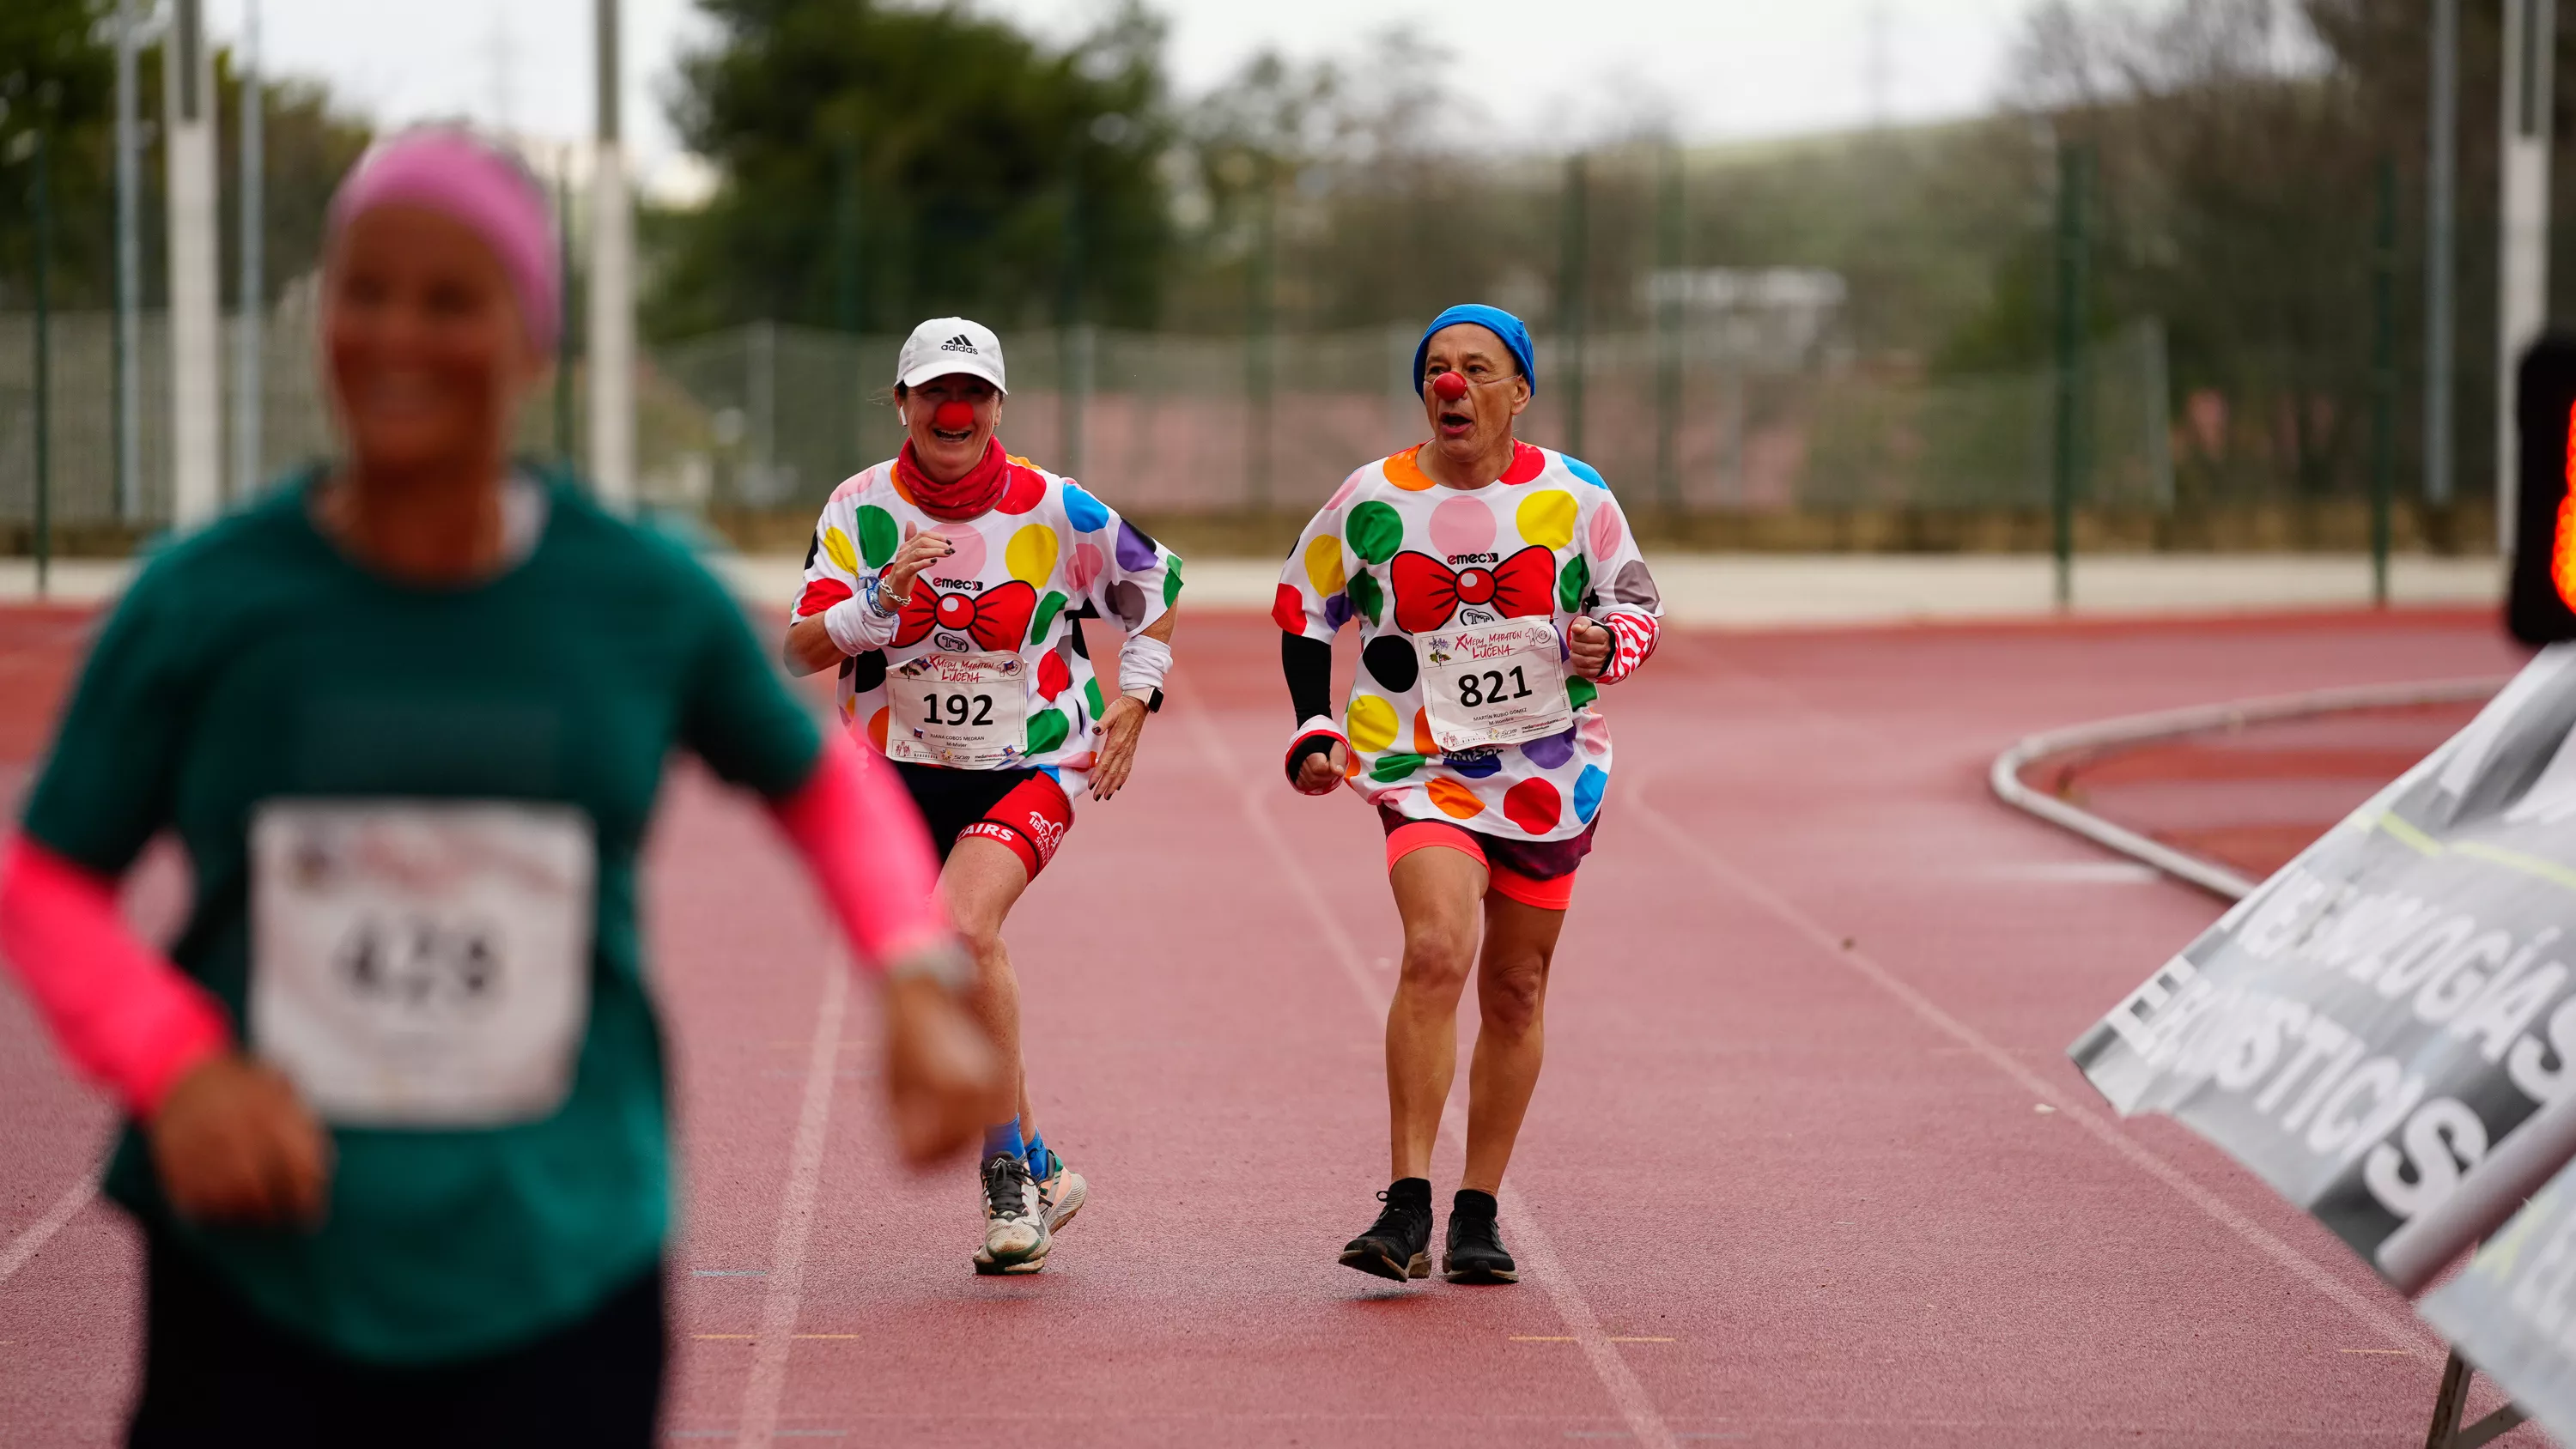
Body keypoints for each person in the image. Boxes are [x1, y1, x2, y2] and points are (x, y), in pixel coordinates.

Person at [0, 129, 999, 1448]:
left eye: (450, 300)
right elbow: (48, 878)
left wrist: (915, 973)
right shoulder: (206, 600)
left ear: (533, 342)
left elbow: (815, 781)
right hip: (258, 1256)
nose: (398, 334)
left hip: (559, 1257)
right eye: (363, 293)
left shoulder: (632, 595)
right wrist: (173, 1067)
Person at [784, 317, 1183, 1275]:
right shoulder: (858, 506)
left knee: (963, 927)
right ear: (903, 403)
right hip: (897, 769)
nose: (952, 411)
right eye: (932, 393)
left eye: (971, 394)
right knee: (944, 966)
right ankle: (1042, 1161)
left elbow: (1153, 574)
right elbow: (797, 649)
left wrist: (1138, 692)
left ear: (998, 405)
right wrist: (876, 603)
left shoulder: (1055, 507)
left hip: (1036, 758)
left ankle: (1008, 1182)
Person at [1274, 304, 1663, 1284]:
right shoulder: (1373, 496)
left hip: (1548, 772)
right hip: (1419, 763)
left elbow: (1638, 603)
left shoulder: (1577, 495)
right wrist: (1314, 723)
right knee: (1439, 946)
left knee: (1518, 989)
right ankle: (1406, 1203)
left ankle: (1478, 1208)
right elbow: (1303, 606)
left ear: (1518, 391)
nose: (1454, 384)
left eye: (1478, 369)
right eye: (1438, 368)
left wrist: (1605, 643)